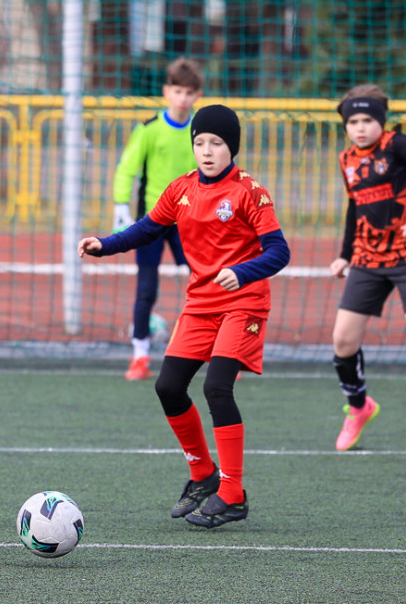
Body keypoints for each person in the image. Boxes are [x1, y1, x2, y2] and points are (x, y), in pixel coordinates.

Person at [79, 105, 289, 529]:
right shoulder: (181, 189)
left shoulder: (251, 192)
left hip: (244, 302)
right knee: (169, 386)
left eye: (216, 143)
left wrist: (241, 272)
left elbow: (279, 251)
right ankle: (202, 474)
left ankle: (232, 493)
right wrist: (105, 243)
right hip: (200, 303)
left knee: (217, 387)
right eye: (199, 143)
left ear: (232, 147)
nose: (207, 151)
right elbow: (146, 229)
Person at [328, 84, 406, 451]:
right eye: (353, 121)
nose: (361, 127)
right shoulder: (346, 159)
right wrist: (345, 253)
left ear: (381, 122)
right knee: (342, 341)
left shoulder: (398, 145)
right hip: (368, 259)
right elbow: (354, 208)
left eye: (368, 120)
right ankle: (359, 407)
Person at [110, 58, 202, 380]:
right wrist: (121, 204)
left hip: (190, 222)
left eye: (189, 92)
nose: (183, 98)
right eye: (177, 91)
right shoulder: (149, 129)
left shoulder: (199, 132)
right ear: (167, 91)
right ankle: (140, 356)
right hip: (151, 221)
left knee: (204, 282)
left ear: (197, 95)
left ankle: (215, 352)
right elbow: (127, 167)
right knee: (146, 288)